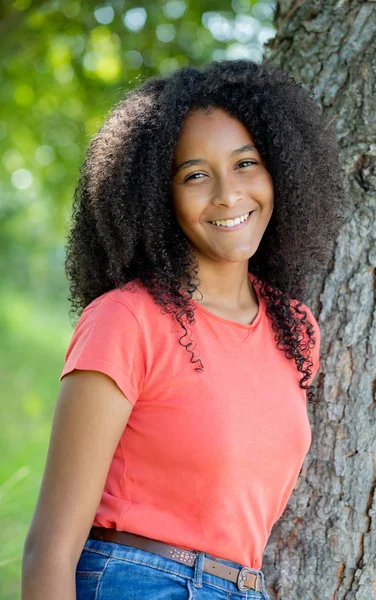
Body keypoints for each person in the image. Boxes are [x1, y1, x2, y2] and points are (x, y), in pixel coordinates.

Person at [22, 58, 345, 600]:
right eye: (195, 174)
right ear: (155, 197)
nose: (226, 194)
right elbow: (49, 552)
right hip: (138, 581)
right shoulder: (126, 321)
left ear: (281, 170)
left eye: (246, 163)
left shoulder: (297, 332)